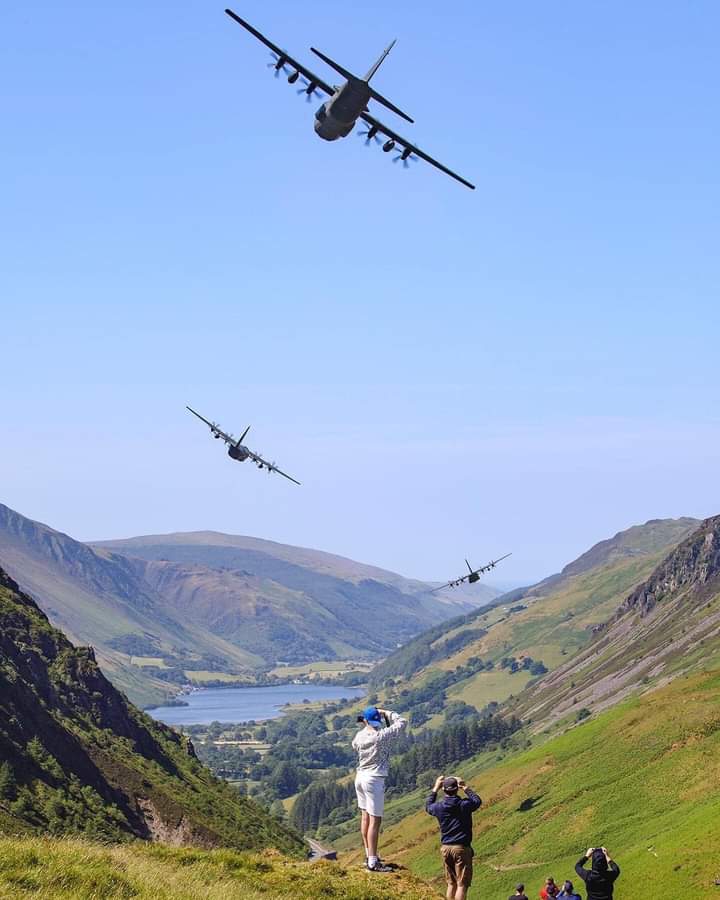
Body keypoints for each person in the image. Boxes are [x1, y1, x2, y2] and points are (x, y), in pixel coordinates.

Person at [352, 705, 407, 872]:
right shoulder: (381, 736)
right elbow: (402, 722)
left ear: (365, 720)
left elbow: (355, 745)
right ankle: (373, 862)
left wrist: (367, 723)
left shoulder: (359, 736)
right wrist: (386, 712)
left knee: (365, 818)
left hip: (360, 777)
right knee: (375, 822)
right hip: (374, 779)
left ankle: (369, 855)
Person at [426, 774, 482, 900]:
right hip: (461, 848)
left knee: (451, 883)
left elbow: (428, 806)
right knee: (462, 885)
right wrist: (465, 787)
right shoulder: (464, 805)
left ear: (444, 790)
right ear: (457, 789)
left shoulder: (439, 807)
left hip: (446, 848)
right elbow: (477, 801)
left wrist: (435, 788)